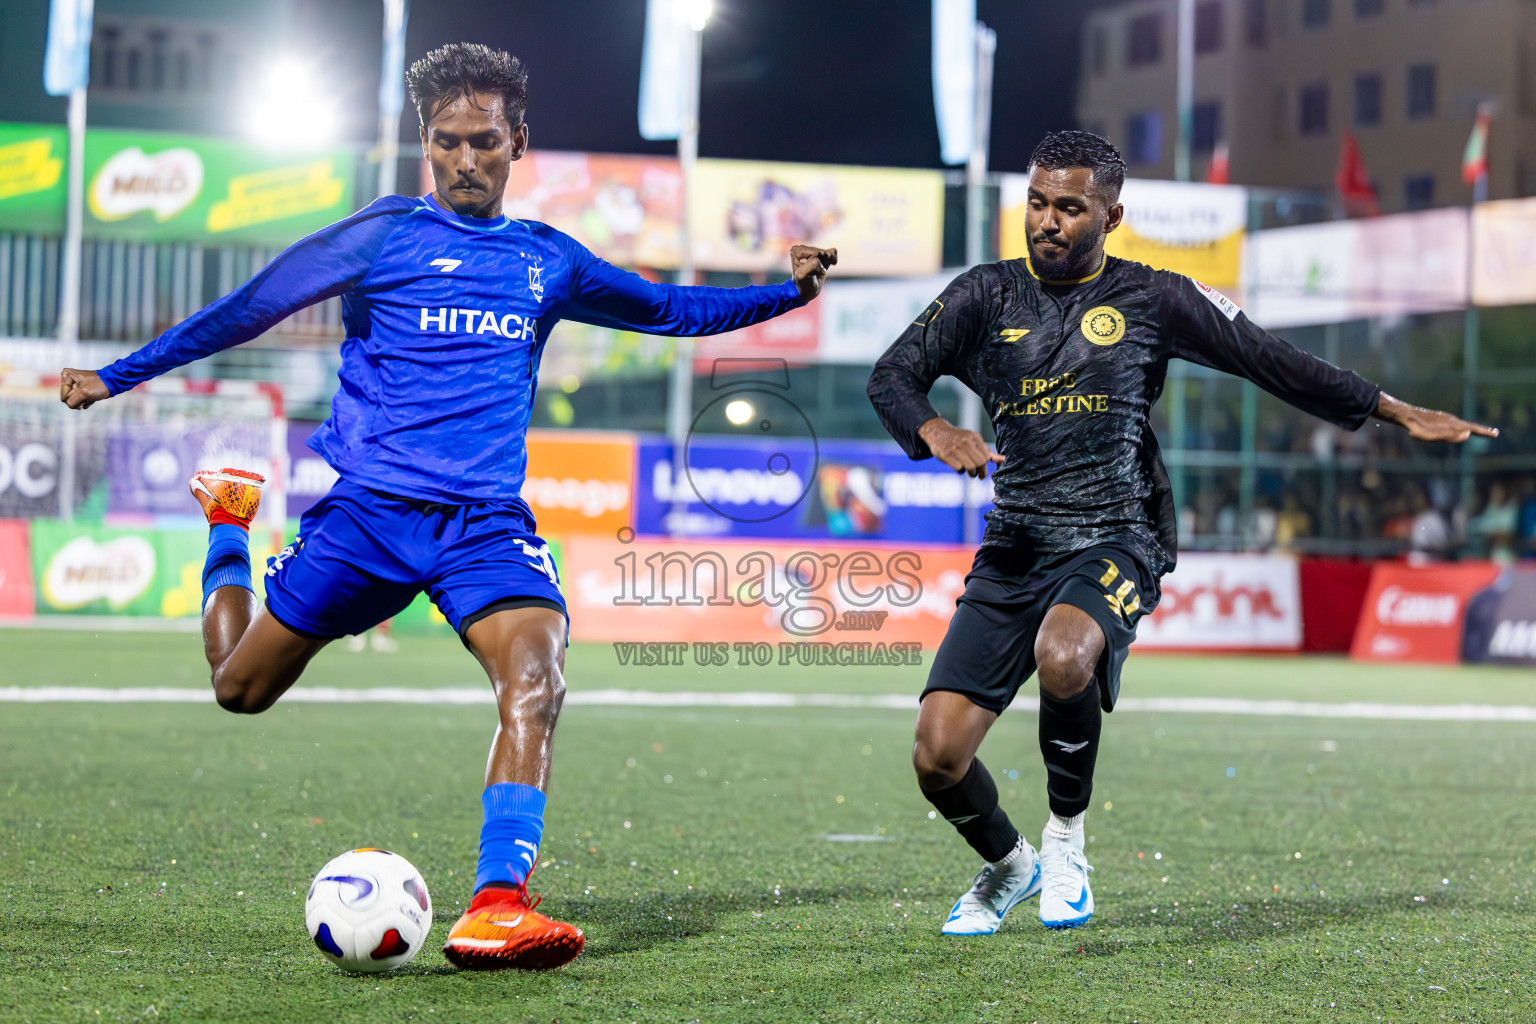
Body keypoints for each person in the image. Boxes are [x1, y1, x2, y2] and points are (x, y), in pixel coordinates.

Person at [58, 43, 836, 970]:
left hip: (483, 527)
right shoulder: (381, 236)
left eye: (485, 142)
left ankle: (498, 904)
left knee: (538, 678)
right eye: (447, 142)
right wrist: (115, 375)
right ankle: (229, 525)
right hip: (368, 519)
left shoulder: (549, 261)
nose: (466, 160)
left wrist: (789, 292)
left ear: (518, 144)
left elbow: (670, 309)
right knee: (239, 688)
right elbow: (245, 310)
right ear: (423, 142)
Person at [866, 131, 1494, 935]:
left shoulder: (1154, 298)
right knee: (937, 757)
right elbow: (892, 374)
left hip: (1116, 535)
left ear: (1110, 214)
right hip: (1016, 542)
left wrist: (1390, 408)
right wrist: (933, 431)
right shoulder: (983, 295)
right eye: (1036, 203)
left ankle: (1065, 845)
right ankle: (1010, 866)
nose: (1047, 221)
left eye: (1069, 207)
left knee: (1063, 656)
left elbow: (1270, 358)